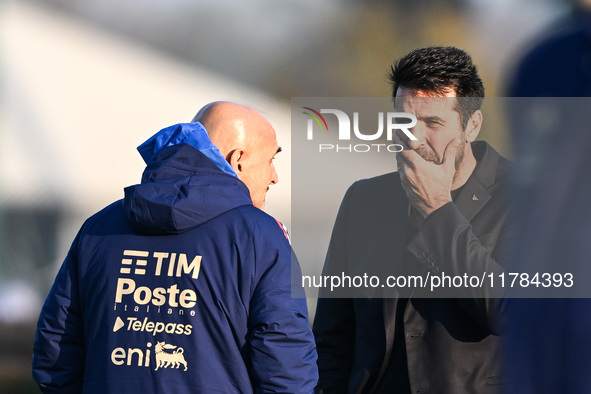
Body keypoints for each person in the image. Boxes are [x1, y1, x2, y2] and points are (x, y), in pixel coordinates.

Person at [32, 101, 318, 393]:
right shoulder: (260, 236)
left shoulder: (99, 229)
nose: (274, 176)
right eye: (271, 160)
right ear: (239, 159)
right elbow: (286, 364)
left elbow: (56, 353)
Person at [313, 47, 511, 393]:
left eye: (433, 122)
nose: (413, 137)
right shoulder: (364, 200)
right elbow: (332, 337)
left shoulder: (526, 199)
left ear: (472, 125)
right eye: (403, 121)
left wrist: (437, 208)